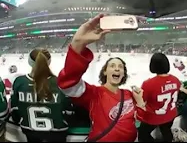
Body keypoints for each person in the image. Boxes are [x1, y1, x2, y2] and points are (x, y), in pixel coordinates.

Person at [57, 13, 145, 142]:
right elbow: (68, 84)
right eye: (112, 66)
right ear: (105, 72)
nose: (117, 68)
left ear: (123, 74)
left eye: (120, 67)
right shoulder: (94, 94)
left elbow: (140, 120)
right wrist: (77, 43)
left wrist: (140, 102)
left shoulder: (129, 94)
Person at [10, 48, 70, 142]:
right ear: (49, 62)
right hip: (57, 132)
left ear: (30, 62)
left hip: (30, 131)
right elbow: (68, 111)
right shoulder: (60, 83)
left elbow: (15, 111)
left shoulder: (19, 82)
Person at [137, 53, 181, 142]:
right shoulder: (176, 80)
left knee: (142, 134)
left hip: (153, 117)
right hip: (170, 114)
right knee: (166, 131)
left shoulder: (148, 84)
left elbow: (142, 102)